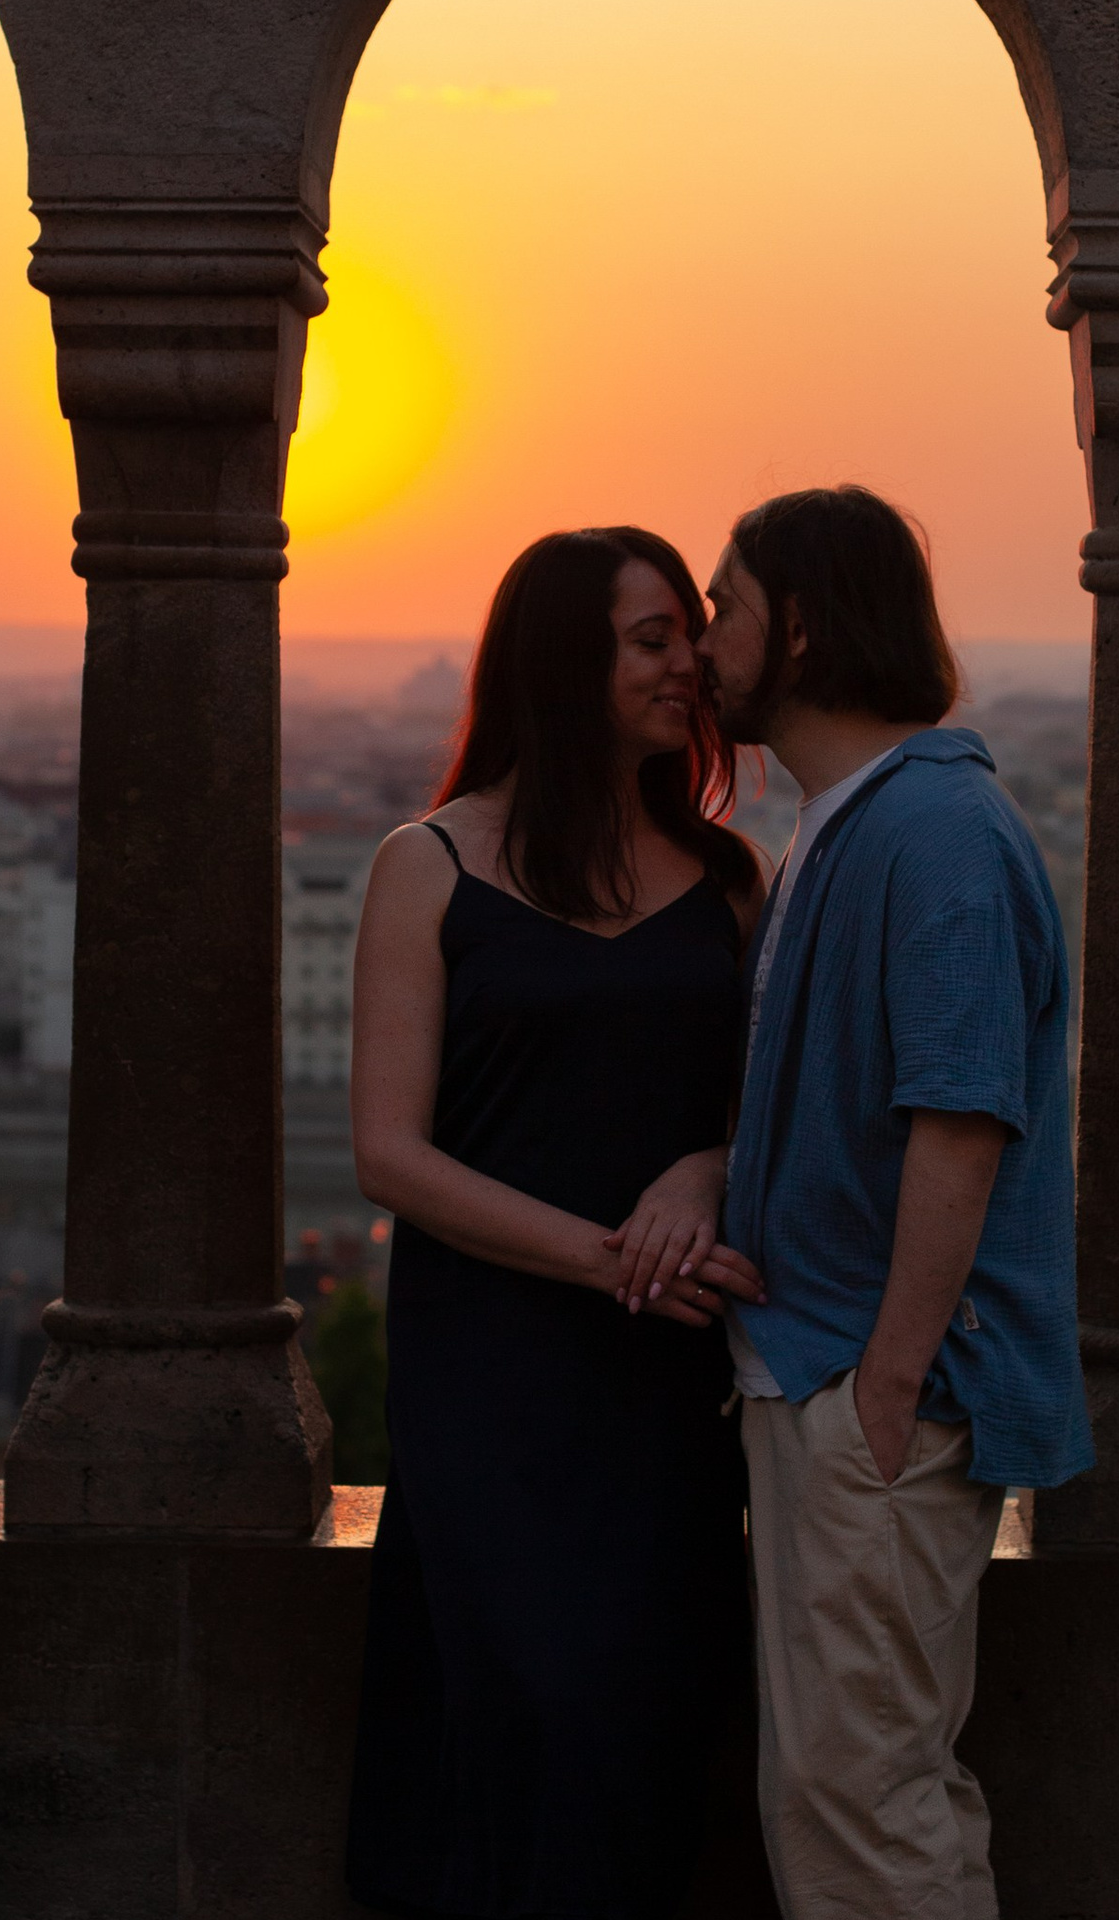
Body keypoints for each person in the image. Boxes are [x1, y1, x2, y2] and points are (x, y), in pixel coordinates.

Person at [345, 527, 770, 1920]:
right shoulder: (431, 864)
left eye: (690, 636)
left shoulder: (730, 881)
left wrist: (705, 1168)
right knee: (523, 1718)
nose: (689, 665)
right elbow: (390, 1155)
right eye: (652, 641)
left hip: (671, 1385)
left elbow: (773, 1114)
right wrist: (605, 1258)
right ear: (564, 663)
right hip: (494, 1374)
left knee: (648, 1732)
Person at [700, 486, 1091, 1920]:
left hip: (874, 1394)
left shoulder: (931, 831)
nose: (704, 640)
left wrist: (889, 1380)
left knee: (863, 1802)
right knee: (844, 1793)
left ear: (797, 628)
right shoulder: (861, 822)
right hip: (840, 1375)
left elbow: (961, 1115)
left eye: (724, 605)